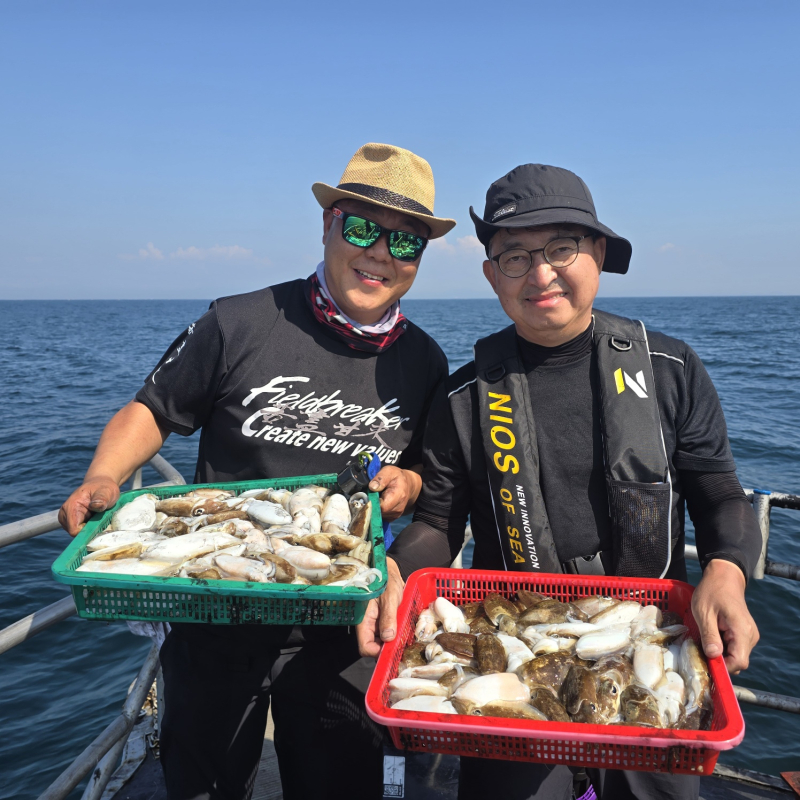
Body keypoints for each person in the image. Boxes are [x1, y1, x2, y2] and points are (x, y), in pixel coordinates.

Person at [58, 143, 456, 800]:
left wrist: (409, 483)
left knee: (339, 786)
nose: (381, 252)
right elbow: (153, 411)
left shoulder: (425, 362)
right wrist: (104, 475)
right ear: (327, 225)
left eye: (407, 242)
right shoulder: (237, 321)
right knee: (205, 785)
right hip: (218, 609)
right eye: (361, 228)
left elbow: (422, 472)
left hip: (341, 629)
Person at [380, 164, 762, 800]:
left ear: (600, 254)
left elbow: (718, 491)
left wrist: (727, 569)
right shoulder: (464, 396)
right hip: (516, 641)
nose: (541, 272)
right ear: (489, 273)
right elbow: (438, 522)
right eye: (514, 256)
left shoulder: (670, 369)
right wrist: (396, 574)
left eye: (562, 247)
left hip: (652, 641)